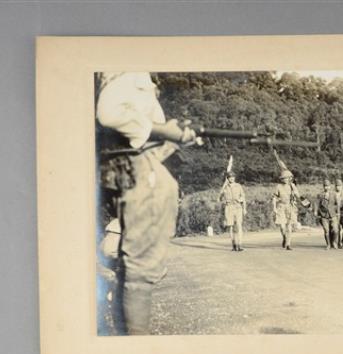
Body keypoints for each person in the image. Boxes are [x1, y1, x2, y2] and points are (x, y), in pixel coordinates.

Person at [96, 71, 196, 335]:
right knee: (139, 274)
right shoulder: (129, 70)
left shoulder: (135, 74)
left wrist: (173, 141)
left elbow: (140, 142)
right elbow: (109, 113)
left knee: (134, 272)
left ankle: (128, 342)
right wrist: (163, 130)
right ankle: (134, 347)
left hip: (135, 168)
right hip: (136, 173)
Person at [218, 171, 247, 252]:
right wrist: (223, 197)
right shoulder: (225, 188)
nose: (232, 178)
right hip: (229, 208)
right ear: (227, 178)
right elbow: (219, 199)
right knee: (230, 226)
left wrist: (244, 208)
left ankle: (240, 245)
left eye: (233, 177)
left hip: (238, 207)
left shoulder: (238, 186)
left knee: (239, 225)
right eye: (230, 177)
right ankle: (234, 245)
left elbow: (243, 197)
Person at [272, 170, 300, 250]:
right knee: (282, 226)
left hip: (290, 207)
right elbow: (274, 198)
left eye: (287, 178)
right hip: (281, 207)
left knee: (289, 226)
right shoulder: (278, 186)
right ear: (281, 179)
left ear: (290, 178)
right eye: (284, 178)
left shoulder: (292, 186)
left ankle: (288, 244)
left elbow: (298, 195)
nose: (285, 179)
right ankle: (284, 237)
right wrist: (274, 208)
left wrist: (295, 192)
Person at [313, 179, 340, 249]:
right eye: (325, 186)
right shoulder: (320, 195)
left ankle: (334, 242)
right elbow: (316, 203)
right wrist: (315, 211)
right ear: (323, 187)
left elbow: (337, 204)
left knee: (335, 230)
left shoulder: (334, 194)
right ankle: (328, 244)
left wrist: (337, 212)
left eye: (328, 186)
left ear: (330, 186)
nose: (326, 187)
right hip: (324, 214)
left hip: (332, 214)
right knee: (326, 230)